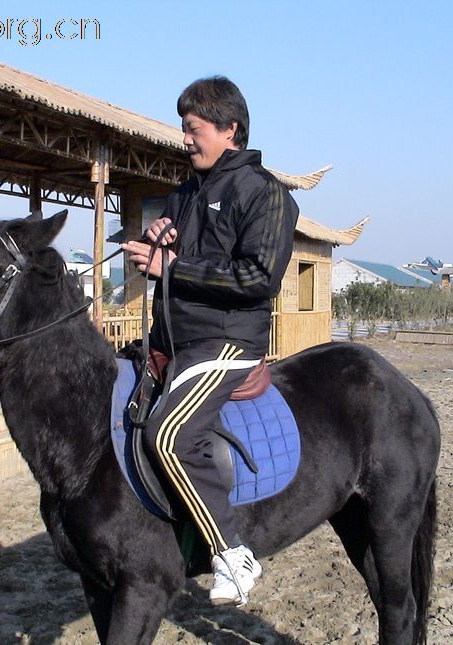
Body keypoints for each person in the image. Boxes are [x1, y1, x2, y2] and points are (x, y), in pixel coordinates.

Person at [122, 76, 299, 606]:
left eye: (193, 130)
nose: (184, 139)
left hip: (225, 342)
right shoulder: (185, 191)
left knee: (169, 435)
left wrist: (175, 265)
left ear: (230, 129)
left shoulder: (265, 193)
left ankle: (231, 554)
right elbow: (175, 247)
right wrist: (159, 238)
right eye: (183, 130)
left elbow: (258, 278)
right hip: (171, 338)